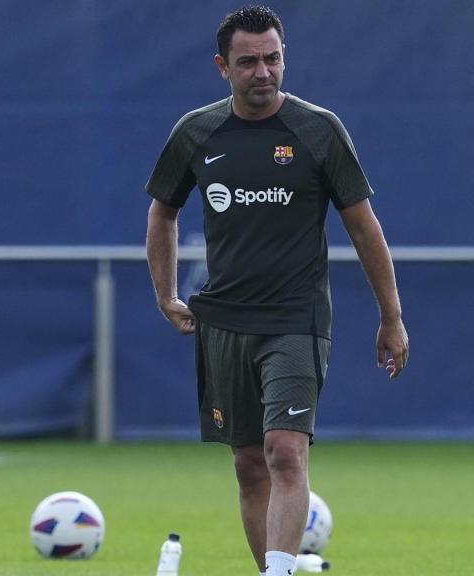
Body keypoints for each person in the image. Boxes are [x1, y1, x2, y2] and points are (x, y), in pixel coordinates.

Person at [145, 6, 408, 576]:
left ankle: (279, 573)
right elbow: (162, 211)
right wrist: (166, 293)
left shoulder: (319, 130)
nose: (263, 72)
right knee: (248, 466)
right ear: (222, 66)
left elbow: (364, 226)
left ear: (284, 58)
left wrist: (392, 315)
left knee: (286, 452)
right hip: (223, 323)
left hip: (296, 318)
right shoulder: (196, 132)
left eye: (273, 59)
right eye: (248, 62)